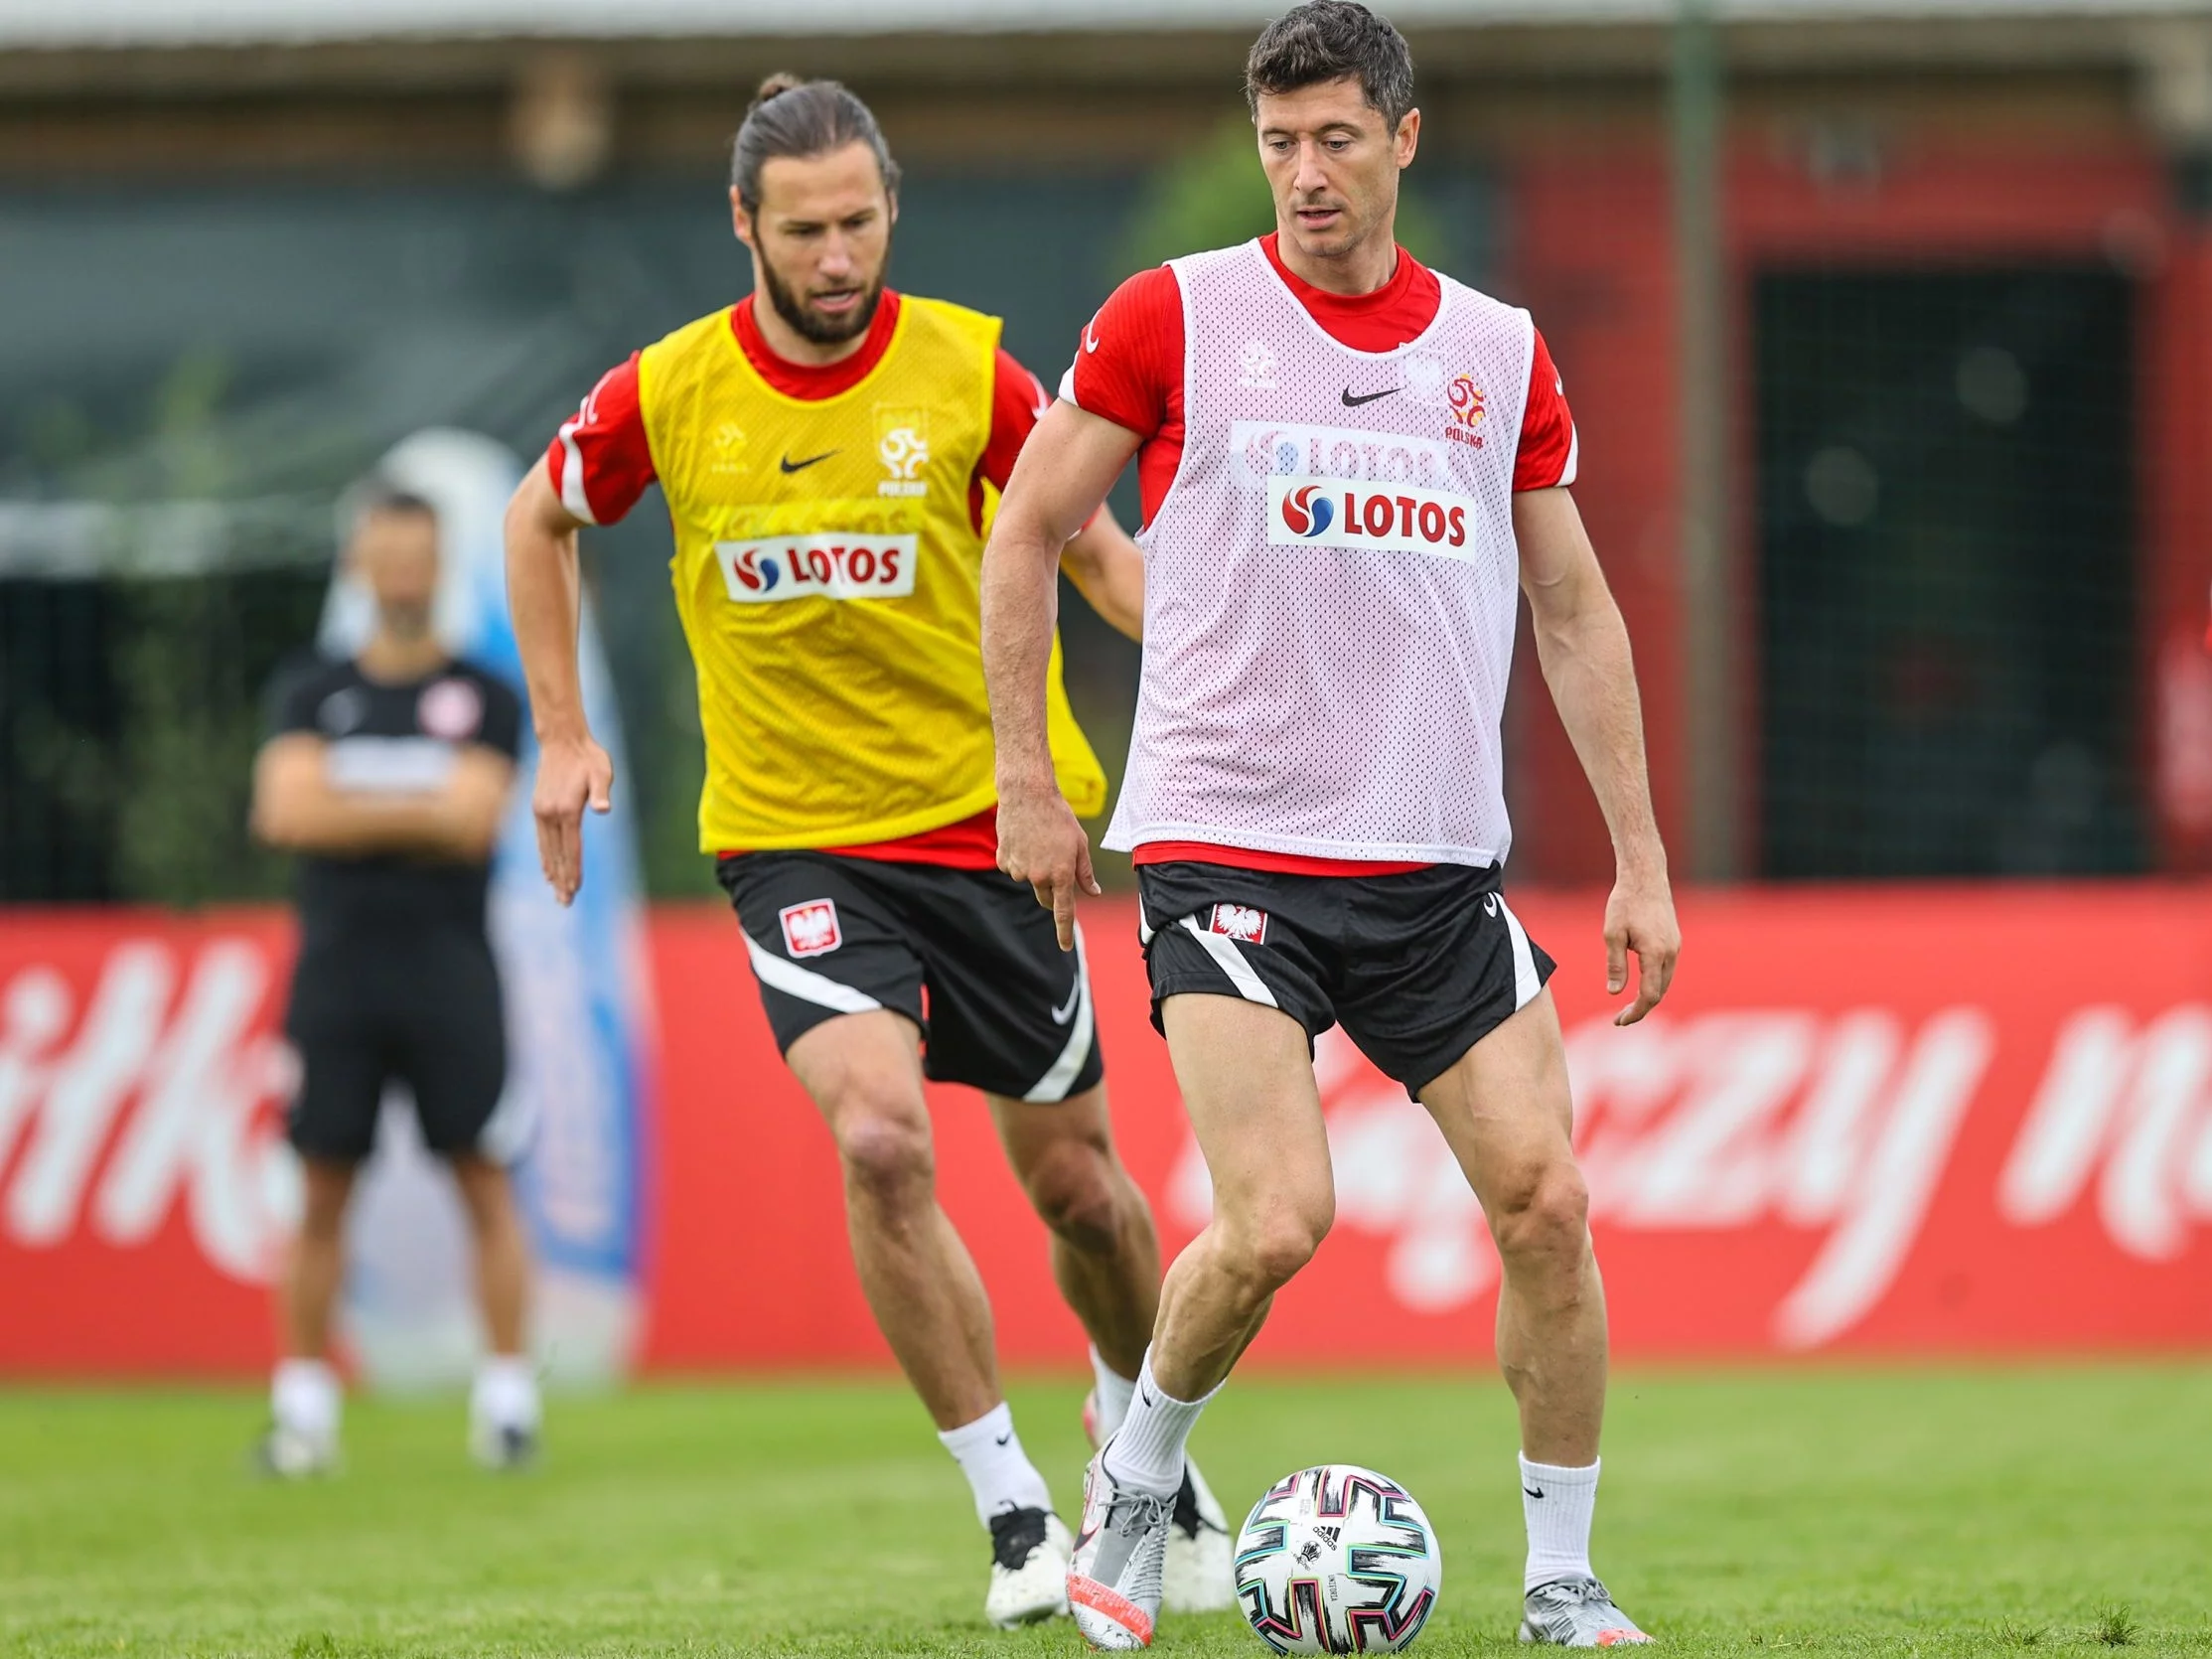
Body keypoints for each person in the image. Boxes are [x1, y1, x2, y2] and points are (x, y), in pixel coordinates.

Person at [981, 3, 1683, 1649]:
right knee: (1281, 1219)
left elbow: (1574, 609)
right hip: (1231, 854)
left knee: (1550, 1204)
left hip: (1435, 868)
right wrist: (1033, 770)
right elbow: (1027, 534)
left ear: (1401, 139)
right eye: (1278, 143)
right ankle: (1136, 1487)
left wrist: (1639, 856)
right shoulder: (1176, 318)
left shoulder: (1496, 352)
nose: (1304, 173)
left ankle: (1565, 1586)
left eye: (1335, 140)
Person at [503, 75, 1231, 1629]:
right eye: (803, 229)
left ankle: (1139, 1448)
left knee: (1084, 1201)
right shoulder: (670, 392)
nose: (835, 257)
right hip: (796, 845)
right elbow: (535, 516)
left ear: (890, 208)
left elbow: (1103, 559)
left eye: (858, 222)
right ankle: (1017, 1515)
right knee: (883, 1140)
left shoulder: (972, 372)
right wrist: (562, 731)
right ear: (744, 226)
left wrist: (1238, 686)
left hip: (993, 832)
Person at [251, 485, 539, 1476]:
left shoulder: (488, 694)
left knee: (482, 1177)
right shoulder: (308, 687)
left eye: (419, 554)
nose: (403, 573)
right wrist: (421, 800)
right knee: (323, 1184)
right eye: (385, 553)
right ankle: (302, 1412)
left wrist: (353, 797)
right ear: (357, 566)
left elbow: (474, 820)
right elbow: (285, 812)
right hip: (336, 977)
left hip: (452, 976)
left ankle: (506, 1403)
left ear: (440, 564)